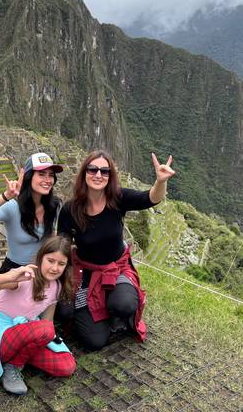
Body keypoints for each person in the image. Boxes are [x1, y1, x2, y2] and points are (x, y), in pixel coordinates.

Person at [57, 150, 175, 351]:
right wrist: (53, 274)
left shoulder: (118, 198)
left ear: (110, 176)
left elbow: (150, 198)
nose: (98, 175)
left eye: (105, 171)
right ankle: (96, 312)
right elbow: (62, 245)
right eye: (93, 169)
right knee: (93, 341)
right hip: (86, 273)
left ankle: (114, 311)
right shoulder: (70, 210)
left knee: (125, 305)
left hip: (117, 268)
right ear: (84, 173)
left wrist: (161, 181)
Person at [0, 235, 76, 395]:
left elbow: (48, 319)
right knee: (45, 330)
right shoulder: (26, 276)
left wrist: (55, 346)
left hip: (26, 334)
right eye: (51, 261)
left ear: (66, 266)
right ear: (41, 258)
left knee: (66, 365)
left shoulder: (57, 286)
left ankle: (17, 358)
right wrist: (9, 276)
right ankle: (12, 366)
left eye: (61, 264)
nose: (55, 268)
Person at [0, 152, 63, 273]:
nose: (48, 180)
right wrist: (6, 196)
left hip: (42, 270)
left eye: (51, 175)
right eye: (41, 174)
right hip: (14, 270)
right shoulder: (12, 207)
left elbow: (55, 235)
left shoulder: (54, 206)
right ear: (28, 177)